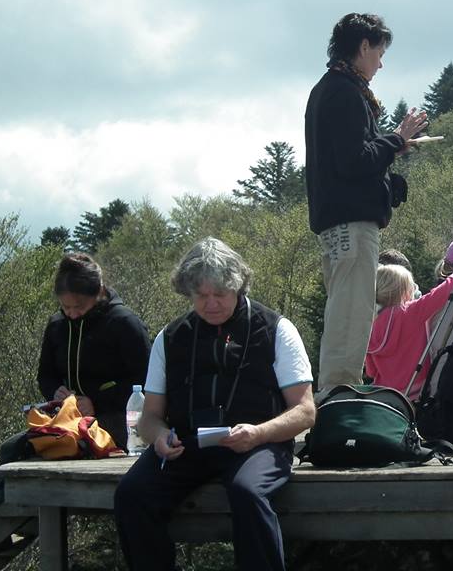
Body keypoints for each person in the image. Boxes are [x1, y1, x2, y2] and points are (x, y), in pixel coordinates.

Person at [114, 238, 315, 571]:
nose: (210, 305)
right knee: (131, 494)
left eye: (219, 294)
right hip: (187, 445)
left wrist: (260, 432)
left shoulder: (277, 329)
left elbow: (305, 411)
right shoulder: (170, 336)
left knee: (247, 493)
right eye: (201, 296)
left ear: (238, 287)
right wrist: (159, 437)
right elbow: (149, 416)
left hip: (258, 444)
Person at [305, 12, 428, 396]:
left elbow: (349, 162)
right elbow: (355, 161)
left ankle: (337, 398)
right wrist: (395, 139)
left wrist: (389, 160)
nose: (381, 62)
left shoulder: (331, 89)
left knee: (348, 313)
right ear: (363, 47)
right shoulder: (344, 92)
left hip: (340, 224)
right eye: (379, 52)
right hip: (351, 227)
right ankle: (338, 401)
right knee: (351, 317)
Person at [0, 253, 150, 515]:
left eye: (79, 307)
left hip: (117, 417)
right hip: (67, 418)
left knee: (70, 443)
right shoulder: (56, 326)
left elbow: (145, 379)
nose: (72, 314)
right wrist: (55, 392)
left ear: (98, 292)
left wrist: (95, 401)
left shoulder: (124, 323)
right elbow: (46, 374)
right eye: (66, 307)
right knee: (12, 447)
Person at [366, 251, 453, 400]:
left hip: (384, 391)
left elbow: (371, 371)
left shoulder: (370, 322)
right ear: (403, 291)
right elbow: (439, 295)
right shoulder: (409, 312)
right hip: (414, 389)